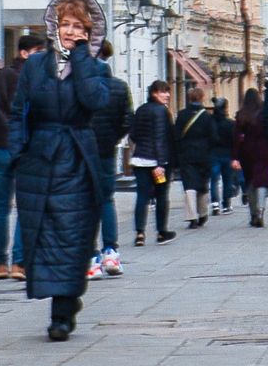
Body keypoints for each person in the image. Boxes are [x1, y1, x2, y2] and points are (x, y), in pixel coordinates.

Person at [7, 0, 116, 342]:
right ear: (55, 26)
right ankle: (61, 301)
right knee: (43, 235)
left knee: (73, 236)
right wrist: (16, 152)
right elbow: (19, 110)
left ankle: (63, 311)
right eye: (65, 24)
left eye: (78, 26)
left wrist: (82, 58)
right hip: (40, 157)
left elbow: (94, 99)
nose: (70, 31)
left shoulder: (97, 66)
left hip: (77, 157)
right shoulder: (36, 64)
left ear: (89, 31)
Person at [0, 35, 42, 278]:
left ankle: (0, 264)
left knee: (1, 208)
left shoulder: (1, 77)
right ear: (25, 53)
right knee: (25, 207)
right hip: (25, 148)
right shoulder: (35, 80)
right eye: (38, 51)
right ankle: (19, 262)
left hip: (1, 147)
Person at [86, 40, 130, 280]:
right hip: (107, 152)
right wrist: (114, 138)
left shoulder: (80, 87)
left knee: (86, 202)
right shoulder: (120, 87)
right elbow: (127, 119)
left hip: (83, 152)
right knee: (106, 200)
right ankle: (111, 252)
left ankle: (91, 258)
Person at [129, 80, 177, 245]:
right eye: (163, 92)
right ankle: (161, 232)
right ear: (154, 93)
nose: (167, 95)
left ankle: (140, 233)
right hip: (157, 163)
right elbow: (161, 139)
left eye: (167, 92)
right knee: (162, 195)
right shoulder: (162, 112)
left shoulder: (141, 110)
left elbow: (133, 134)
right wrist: (160, 163)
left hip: (140, 160)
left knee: (142, 196)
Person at [174, 87, 216, 227]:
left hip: (186, 154)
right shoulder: (207, 117)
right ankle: (203, 213)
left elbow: (176, 136)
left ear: (189, 98)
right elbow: (213, 137)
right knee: (202, 183)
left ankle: (191, 217)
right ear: (202, 98)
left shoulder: (182, 115)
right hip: (203, 154)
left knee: (189, 185)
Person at [233, 88, 268, 227]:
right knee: (262, 181)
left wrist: (235, 156)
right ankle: (261, 210)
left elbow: (237, 137)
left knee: (250, 181)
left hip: (247, 151)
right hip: (264, 150)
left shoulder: (241, 115)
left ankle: (253, 213)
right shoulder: (264, 113)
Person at [209, 96, 236, 215]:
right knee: (227, 180)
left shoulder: (210, 122)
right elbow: (234, 141)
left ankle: (215, 204)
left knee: (214, 179)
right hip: (227, 153)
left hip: (213, 153)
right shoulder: (230, 123)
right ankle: (226, 204)